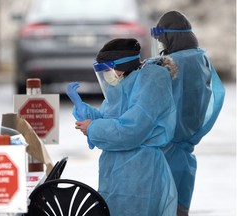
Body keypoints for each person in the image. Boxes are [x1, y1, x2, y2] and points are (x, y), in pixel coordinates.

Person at [66, 38, 178, 216]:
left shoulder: (152, 80)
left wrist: (93, 128)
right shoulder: (123, 85)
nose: (106, 76)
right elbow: (109, 118)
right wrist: (83, 109)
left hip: (140, 170)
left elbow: (132, 130)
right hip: (115, 170)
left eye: (108, 70)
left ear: (123, 65)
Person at [150, 11, 225, 215]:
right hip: (184, 151)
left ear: (170, 37)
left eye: (161, 39)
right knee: (180, 207)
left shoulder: (172, 63)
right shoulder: (199, 58)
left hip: (168, 148)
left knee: (165, 205)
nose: (159, 44)